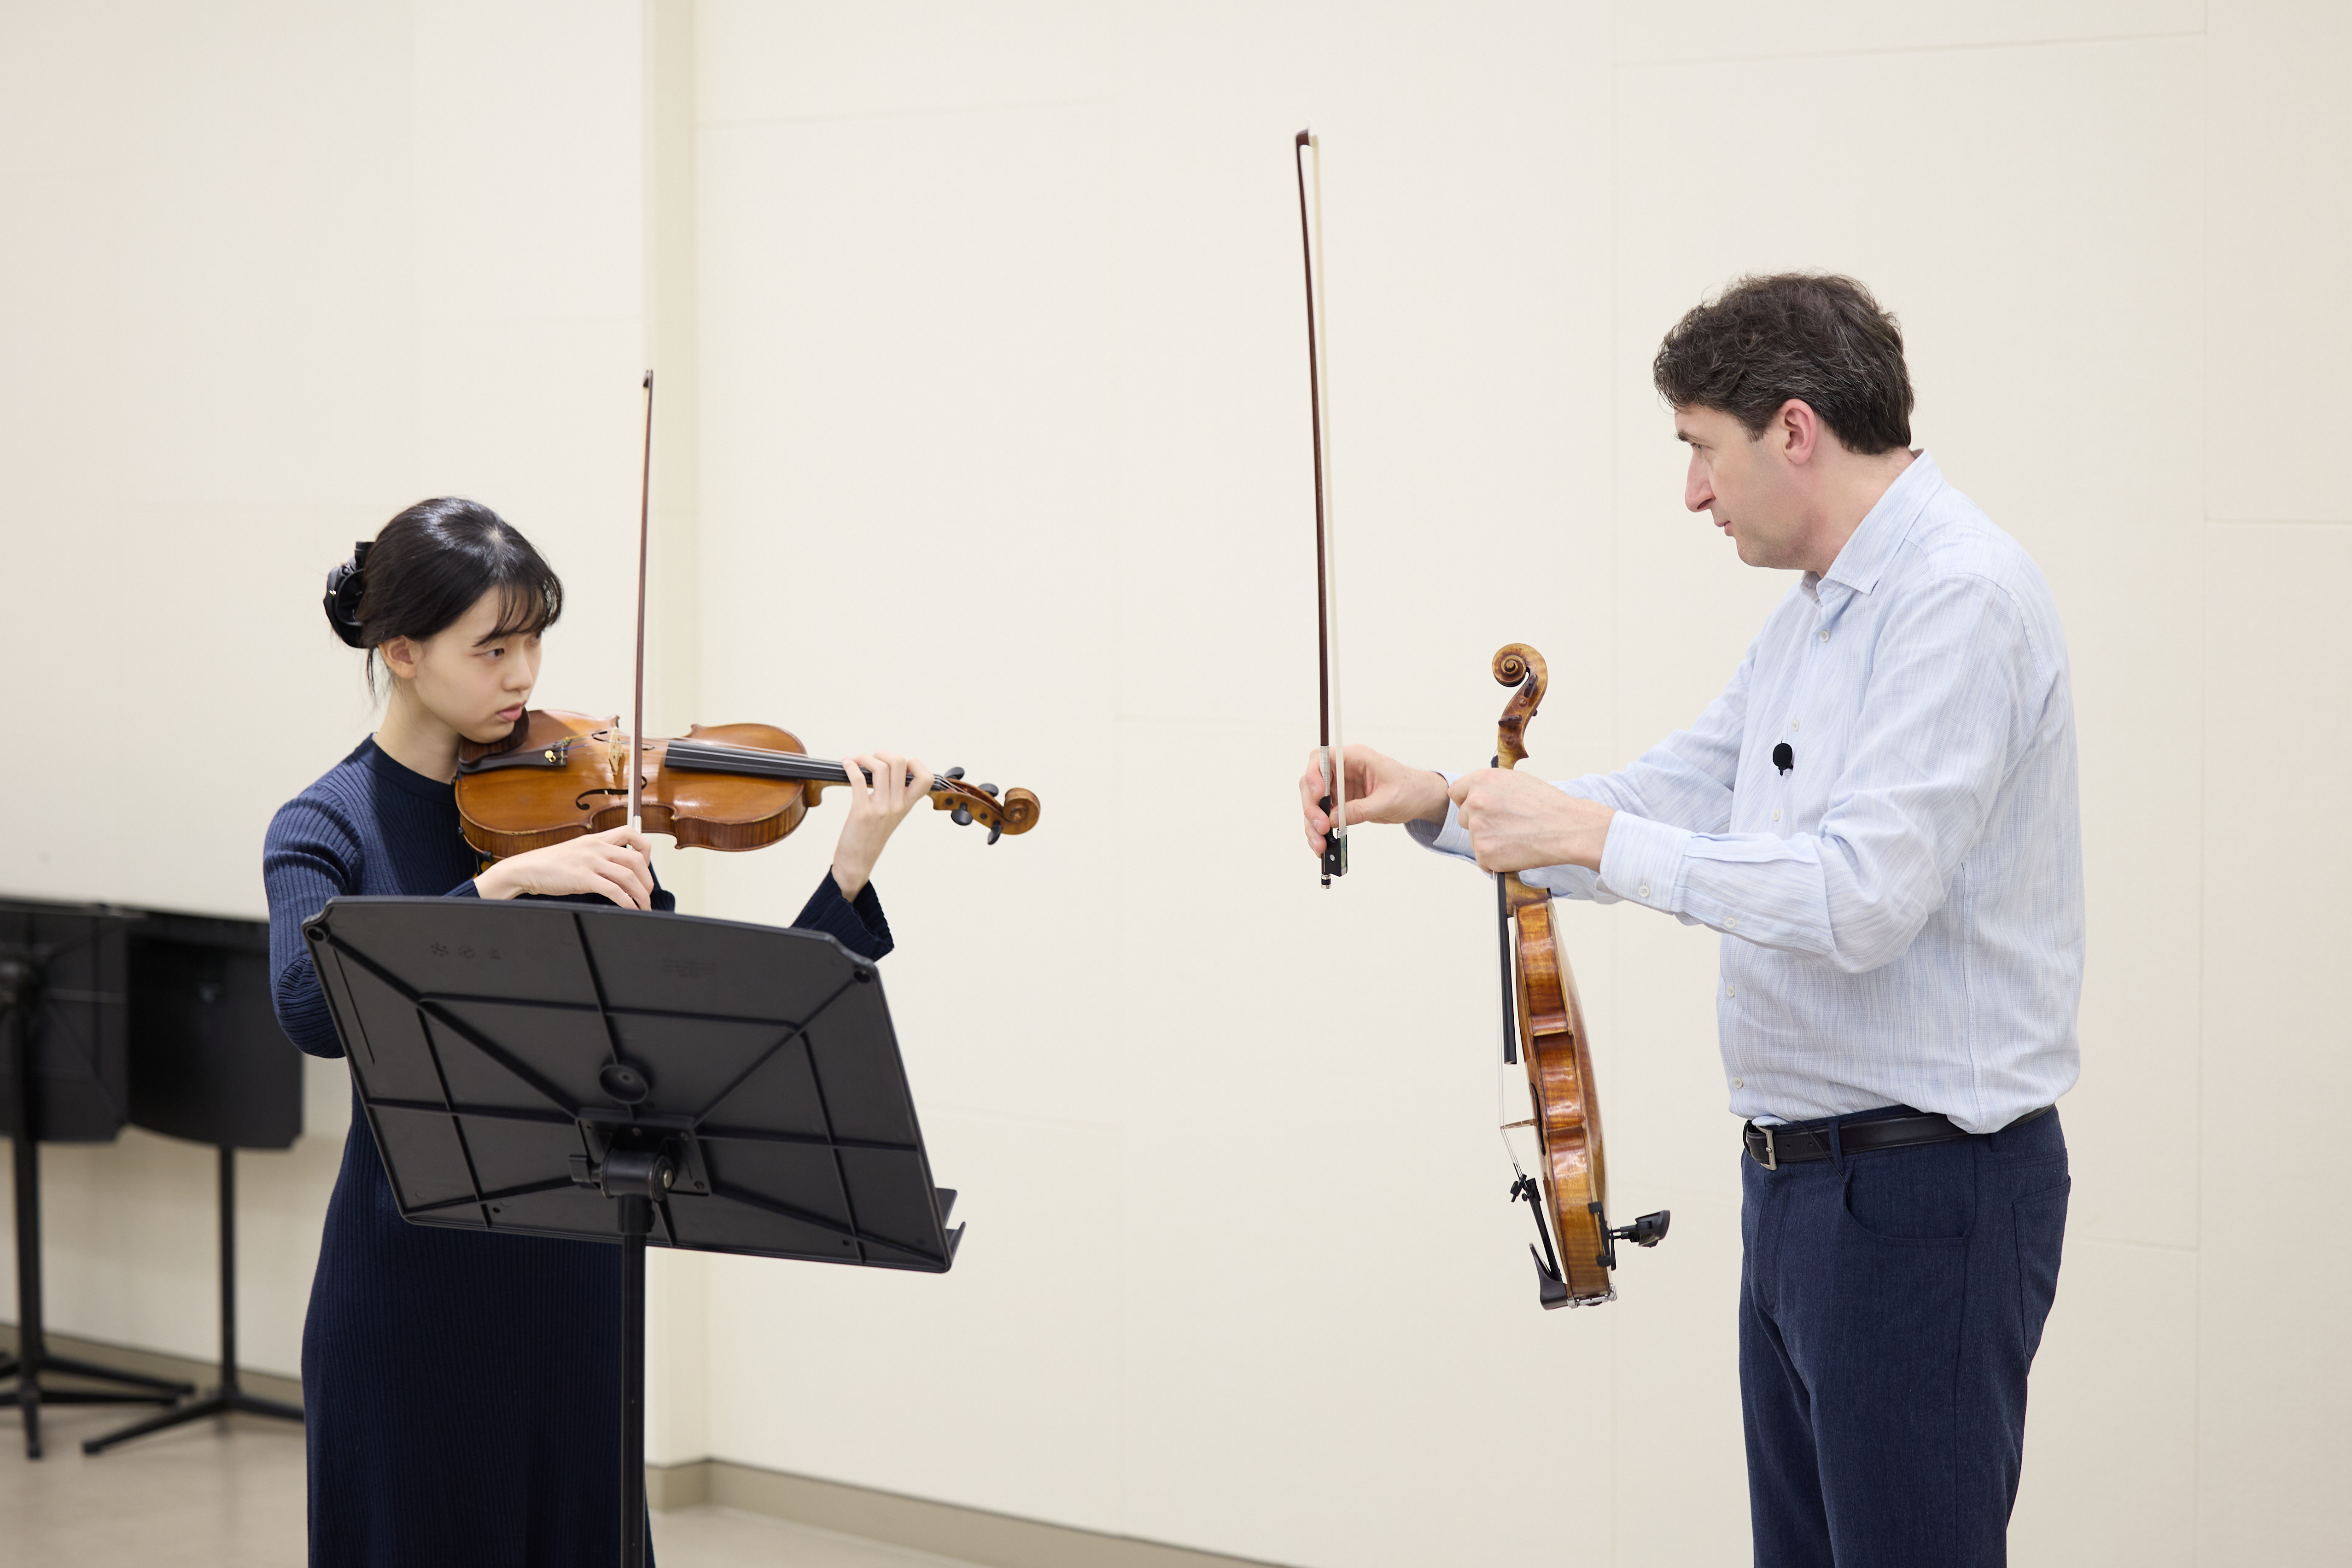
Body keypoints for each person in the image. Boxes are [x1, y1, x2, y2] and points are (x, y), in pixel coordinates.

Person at [1300, 274, 2080, 1567]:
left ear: (1791, 429)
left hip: (1922, 1194)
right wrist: (1439, 798)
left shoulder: (1962, 601)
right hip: (1795, 1187)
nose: (1692, 494)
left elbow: (1856, 897)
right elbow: (1672, 794)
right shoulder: (1810, 622)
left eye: (1698, 450)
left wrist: (1584, 837)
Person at [266, 496, 929, 1566]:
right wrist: (497, 886)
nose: (525, 676)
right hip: (408, 1300)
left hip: (575, 1289)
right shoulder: (324, 823)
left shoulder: (582, 798)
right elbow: (308, 1007)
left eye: (534, 640)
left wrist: (846, 866)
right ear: (401, 651)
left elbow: (706, 1038)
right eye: (493, 647)